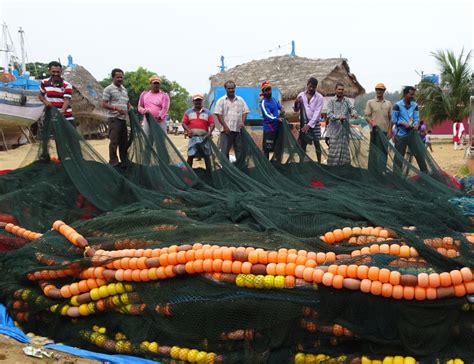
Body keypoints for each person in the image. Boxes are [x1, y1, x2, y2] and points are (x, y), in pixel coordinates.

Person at [391, 86, 427, 172]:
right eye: (411, 94)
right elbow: (394, 120)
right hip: (401, 135)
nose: (412, 97)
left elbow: (416, 118)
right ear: (405, 94)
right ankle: (396, 176)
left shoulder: (414, 105)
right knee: (399, 156)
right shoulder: (397, 105)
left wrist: (416, 124)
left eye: (413, 95)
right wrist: (402, 123)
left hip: (412, 134)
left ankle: (425, 174)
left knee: (419, 154)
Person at [214, 80, 249, 160]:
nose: (231, 90)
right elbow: (218, 114)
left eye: (232, 88)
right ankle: (226, 169)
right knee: (225, 151)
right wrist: (225, 126)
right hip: (226, 131)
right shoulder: (221, 101)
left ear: (235, 88)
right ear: (225, 89)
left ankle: (239, 169)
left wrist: (243, 122)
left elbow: (245, 112)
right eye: (229, 88)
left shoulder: (240, 100)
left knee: (239, 151)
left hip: (238, 131)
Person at [102, 68, 131, 166]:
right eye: (117, 77)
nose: (120, 79)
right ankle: (113, 162)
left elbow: (127, 102)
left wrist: (129, 107)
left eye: (121, 77)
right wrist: (116, 108)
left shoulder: (124, 89)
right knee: (114, 141)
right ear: (113, 77)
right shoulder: (108, 89)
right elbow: (104, 104)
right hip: (114, 119)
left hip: (123, 119)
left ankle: (124, 160)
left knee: (124, 142)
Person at [326, 82, 358, 166]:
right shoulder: (331, 101)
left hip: (344, 131)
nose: (341, 91)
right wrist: (338, 117)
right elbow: (329, 114)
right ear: (335, 90)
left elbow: (352, 109)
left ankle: (343, 169)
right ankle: (333, 170)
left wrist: (354, 113)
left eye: (342, 90)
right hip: (334, 131)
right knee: (333, 152)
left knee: (344, 152)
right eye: (339, 89)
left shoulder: (347, 101)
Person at [293, 77, 324, 162]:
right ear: (307, 85)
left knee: (317, 144)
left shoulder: (319, 97)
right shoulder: (301, 95)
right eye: (310, 86)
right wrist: (296, 103)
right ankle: (301, 164)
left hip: (315, 123)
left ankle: (319, 163)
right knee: (303, 144)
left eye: (313, 87)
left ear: (316, 87)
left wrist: (309, 125)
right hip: (303, 123)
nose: (311, 89)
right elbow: (296, 110)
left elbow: (317, 113)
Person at [182, 94, 215, 171]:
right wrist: (188, 130)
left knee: (207, 156)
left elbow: (212, 123)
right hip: (193, 137)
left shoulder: (207, 112)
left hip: (204, 137)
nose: (198, 102)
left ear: (201, 101)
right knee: (190, 155)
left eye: (199, 100)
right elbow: (183, 123)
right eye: (196, 100)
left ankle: (209, 173)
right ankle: (189, 173)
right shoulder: (188, 112)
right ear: (193, 101)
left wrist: (210, 131)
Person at [365, 83, 392, 172]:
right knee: (373, 153)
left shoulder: (388, 103)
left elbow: (391, 118)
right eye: (377, 89)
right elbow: (367, 116)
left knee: (383, 153)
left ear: (384, 91)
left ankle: (382, 172)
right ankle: (372, 173)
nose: (379, 91)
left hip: (384, 132)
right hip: (374, 131)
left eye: (381, 89)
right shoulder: (370, 102)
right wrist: (371, 122)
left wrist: (389, 131)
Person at [38, 61, 75, 127]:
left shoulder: (67, 85)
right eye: (53, 72)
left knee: (68, 136)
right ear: (49, 71)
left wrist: (61, 111)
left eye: (58, 72)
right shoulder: (44, 82)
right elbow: (41, 95)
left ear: (61, 72)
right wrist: (45, 101)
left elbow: (67, 100)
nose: (56, 74)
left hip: (66, 117)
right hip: (51, 116)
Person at [259, 81, 284, 159]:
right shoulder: (264, 103)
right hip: (269, 129)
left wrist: (282, 109)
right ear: (263, 92)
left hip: (277, 128)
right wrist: (277, 119)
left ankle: (276, 164)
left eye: (269, 89)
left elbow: (279, 106)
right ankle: (266, 167)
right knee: (267, 149)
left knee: (277, 147)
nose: (268, 92)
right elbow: (267, 115)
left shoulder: (273, 99)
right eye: (266, 90)